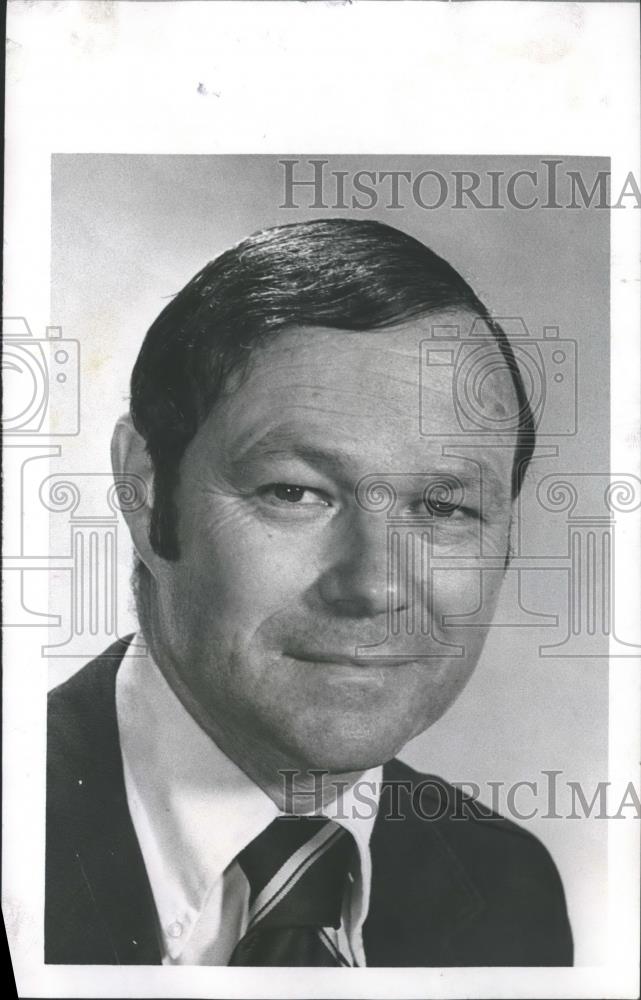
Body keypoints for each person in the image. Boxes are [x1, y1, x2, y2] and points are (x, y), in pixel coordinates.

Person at [46, 218, 573, 967]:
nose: (372, 587)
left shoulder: (507, 887)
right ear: (146, 489)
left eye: (444, 508)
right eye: (295, 492)